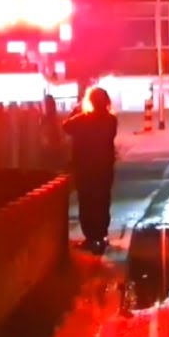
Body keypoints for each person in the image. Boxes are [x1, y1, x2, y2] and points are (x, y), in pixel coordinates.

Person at [63, 87, 118, 254]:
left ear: (91, 101)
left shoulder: (83, 120)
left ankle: (91, 236)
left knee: (87, 202)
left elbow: (66, 126)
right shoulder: (111, 120)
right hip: (104, 167)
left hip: (85, 168)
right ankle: (101, 234)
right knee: (102, 200)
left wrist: (76, 110)